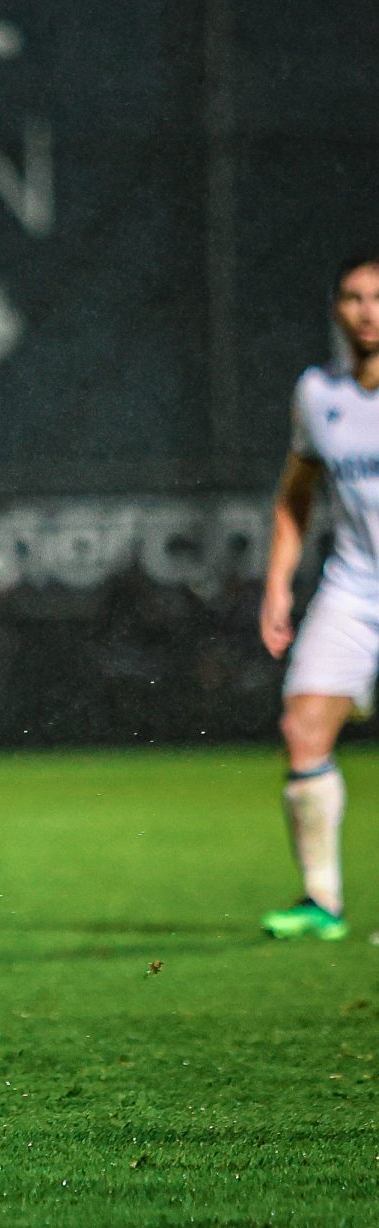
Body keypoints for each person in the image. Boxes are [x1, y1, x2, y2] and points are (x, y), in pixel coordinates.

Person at [258, 251, 379, 941]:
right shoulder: (318, 392)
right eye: (353, 297)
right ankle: (321, 902)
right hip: (355, 585)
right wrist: (278, 583)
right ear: (336, 308)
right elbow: (295, 494)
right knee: (302, 727)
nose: (367, 310)